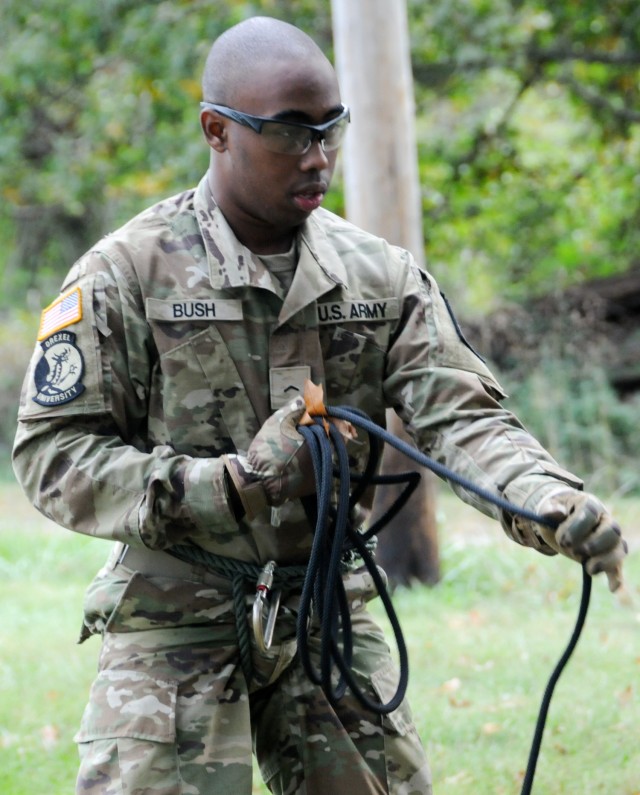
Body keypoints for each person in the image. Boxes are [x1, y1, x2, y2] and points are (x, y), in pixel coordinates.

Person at [12, 15, 627, 795]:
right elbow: (53, 453)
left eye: (330, 130)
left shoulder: (378, 278)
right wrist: (234, 482)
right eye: (289, 133)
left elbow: (464, 418)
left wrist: (544, 497)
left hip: (322, 610)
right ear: (216, 130)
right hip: (176, 615)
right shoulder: (128, 273)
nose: (318, 156)